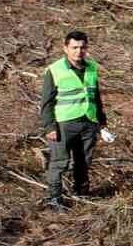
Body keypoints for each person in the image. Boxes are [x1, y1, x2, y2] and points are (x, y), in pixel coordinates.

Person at [39, 29, 107, 209]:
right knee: (59, 162)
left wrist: (101, 122)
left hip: (88, 122)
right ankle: (54, 198)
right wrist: (49, 127)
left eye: (83, 47)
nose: (79, 51)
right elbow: (46, 102)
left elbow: (95, 95)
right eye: (75, 47)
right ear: (65, 49)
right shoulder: (54, 70)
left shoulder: (92, 67)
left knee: (84, 161)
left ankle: (81, 195)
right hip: (64, 124)